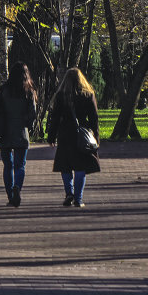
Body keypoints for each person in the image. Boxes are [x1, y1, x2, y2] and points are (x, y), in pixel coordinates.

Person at [47, 67, 101, 207]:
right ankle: (78, 198)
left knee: (65, 166)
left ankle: (69, 193)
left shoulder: (61, 95)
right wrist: (96, 136)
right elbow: (94, 118)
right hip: (82, 134)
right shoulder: (88, 94)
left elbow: (55, 118)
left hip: (65, 134)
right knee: (80, 167)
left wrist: (51, 136)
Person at [0, 61, 38, 207]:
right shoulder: (29, 91)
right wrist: (29, 125)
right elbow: (33, 113)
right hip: (21, 131)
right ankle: (18, 187)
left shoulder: (3, 89)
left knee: (7, 165)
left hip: (4, 131)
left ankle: (10, 195)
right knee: (20, 165)